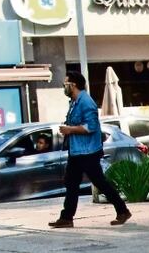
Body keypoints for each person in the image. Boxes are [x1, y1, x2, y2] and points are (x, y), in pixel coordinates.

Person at [51, 71, 131, 229]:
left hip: (87, 151)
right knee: (71, 183)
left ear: (73, 85)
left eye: (65, 84)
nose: (64, 88)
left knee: (99, 181)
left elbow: (91, 127)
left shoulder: (86, 102)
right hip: (76, 151)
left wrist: (70, 129)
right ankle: (66, 217)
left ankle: (122, 210)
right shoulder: (74, 102)